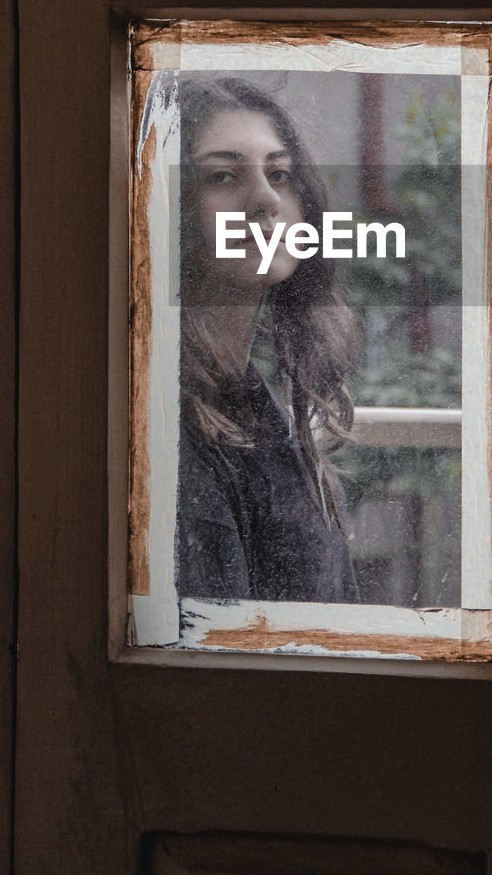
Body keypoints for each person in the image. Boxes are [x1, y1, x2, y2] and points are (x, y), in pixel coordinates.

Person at [176, 75, 360, 603]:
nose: (264, 200)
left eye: (279, 174)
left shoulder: (256, 406)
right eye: (223, 175)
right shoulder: (169, 428)